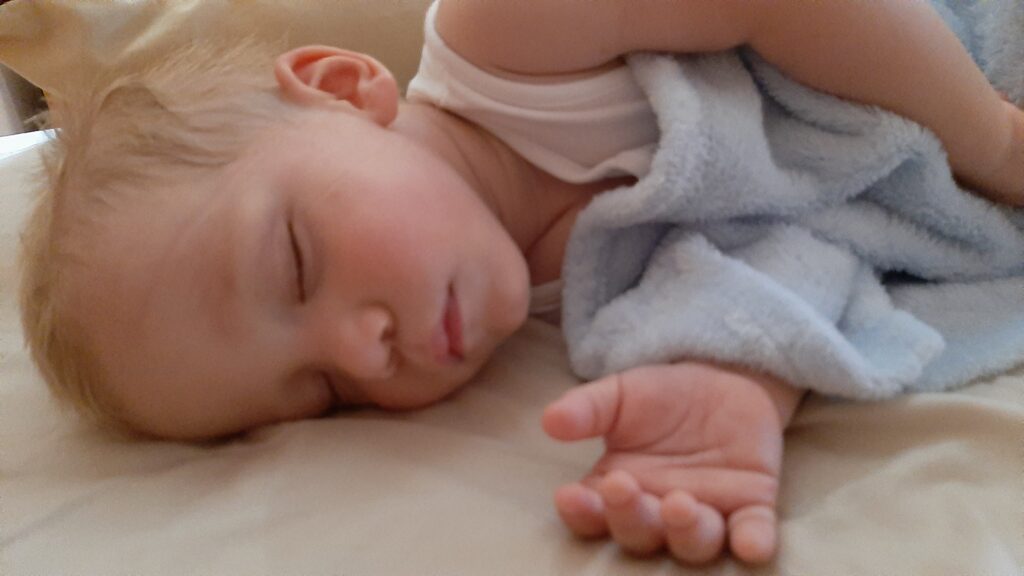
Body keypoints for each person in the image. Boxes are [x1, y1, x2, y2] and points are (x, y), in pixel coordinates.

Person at [19, 0, 1023, 566]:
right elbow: (807, 240)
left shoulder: (512, 40)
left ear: (340, 90)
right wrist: (734, 378)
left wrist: (992, 142)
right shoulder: (585, 313)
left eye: (296, 264)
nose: (363, 350)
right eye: (323, 393)